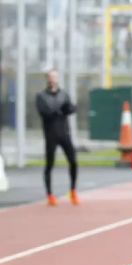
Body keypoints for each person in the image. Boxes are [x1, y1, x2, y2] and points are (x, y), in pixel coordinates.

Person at [36, 69, 78, 206]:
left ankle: (73, 191)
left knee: (73, 161)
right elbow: (45, 112)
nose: (52, 79)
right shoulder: (41, 96)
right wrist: (60, 109)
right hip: (50, 134)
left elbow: (71, 108)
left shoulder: (64, 94)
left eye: (55, 76)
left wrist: (67, 108)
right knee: (49, 164)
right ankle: (50, 194)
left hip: (64, 133)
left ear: (58, 78)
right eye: (50, 76)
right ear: (47, 79)